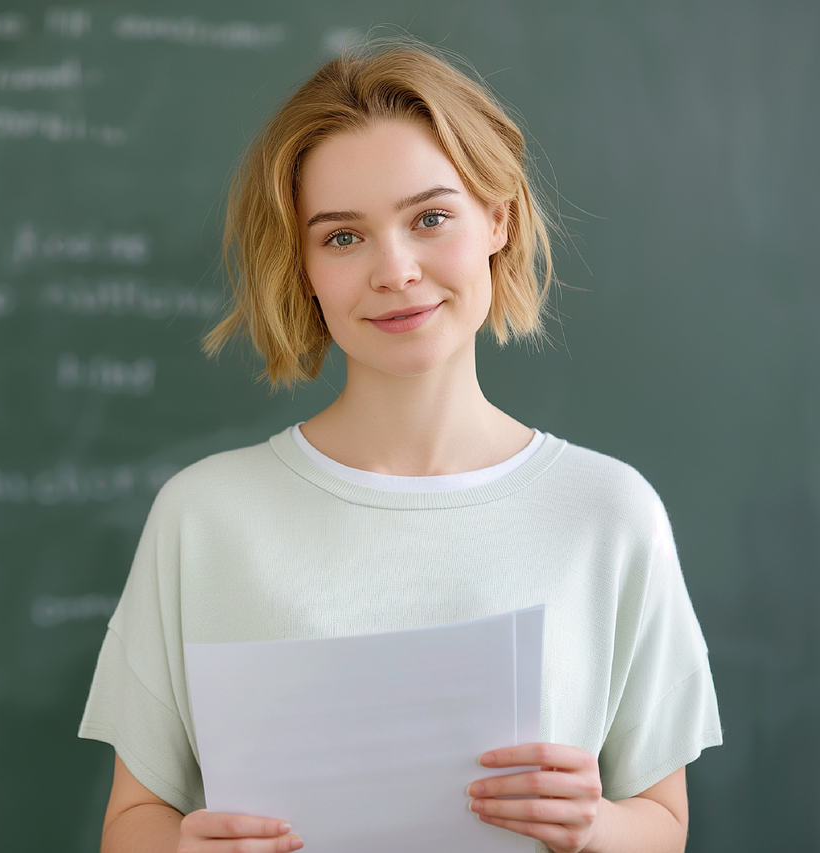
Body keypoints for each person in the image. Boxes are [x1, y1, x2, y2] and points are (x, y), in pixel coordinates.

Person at [79, 39, 721, 853]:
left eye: (430, 218)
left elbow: (664, 821)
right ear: (305, 266)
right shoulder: (205, 515)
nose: (396, 270)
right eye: (343, 237)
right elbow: (133, 820)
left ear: (499, 219)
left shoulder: (609, 511)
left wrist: (592, 826)